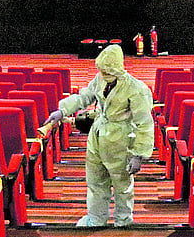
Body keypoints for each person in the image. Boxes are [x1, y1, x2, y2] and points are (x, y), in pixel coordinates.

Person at [44, 44, 154, 227]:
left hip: (120, 142)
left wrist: (139, 155)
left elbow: (144, 123)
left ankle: (123, 221)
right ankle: (96, 219)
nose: (104, 75)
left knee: (122, 187)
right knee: (95, 183)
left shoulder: (136, 89)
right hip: (97, 138)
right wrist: (62, 111)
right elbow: (84, 97)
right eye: (102, 71)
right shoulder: (100, 78)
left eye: (107, 72)